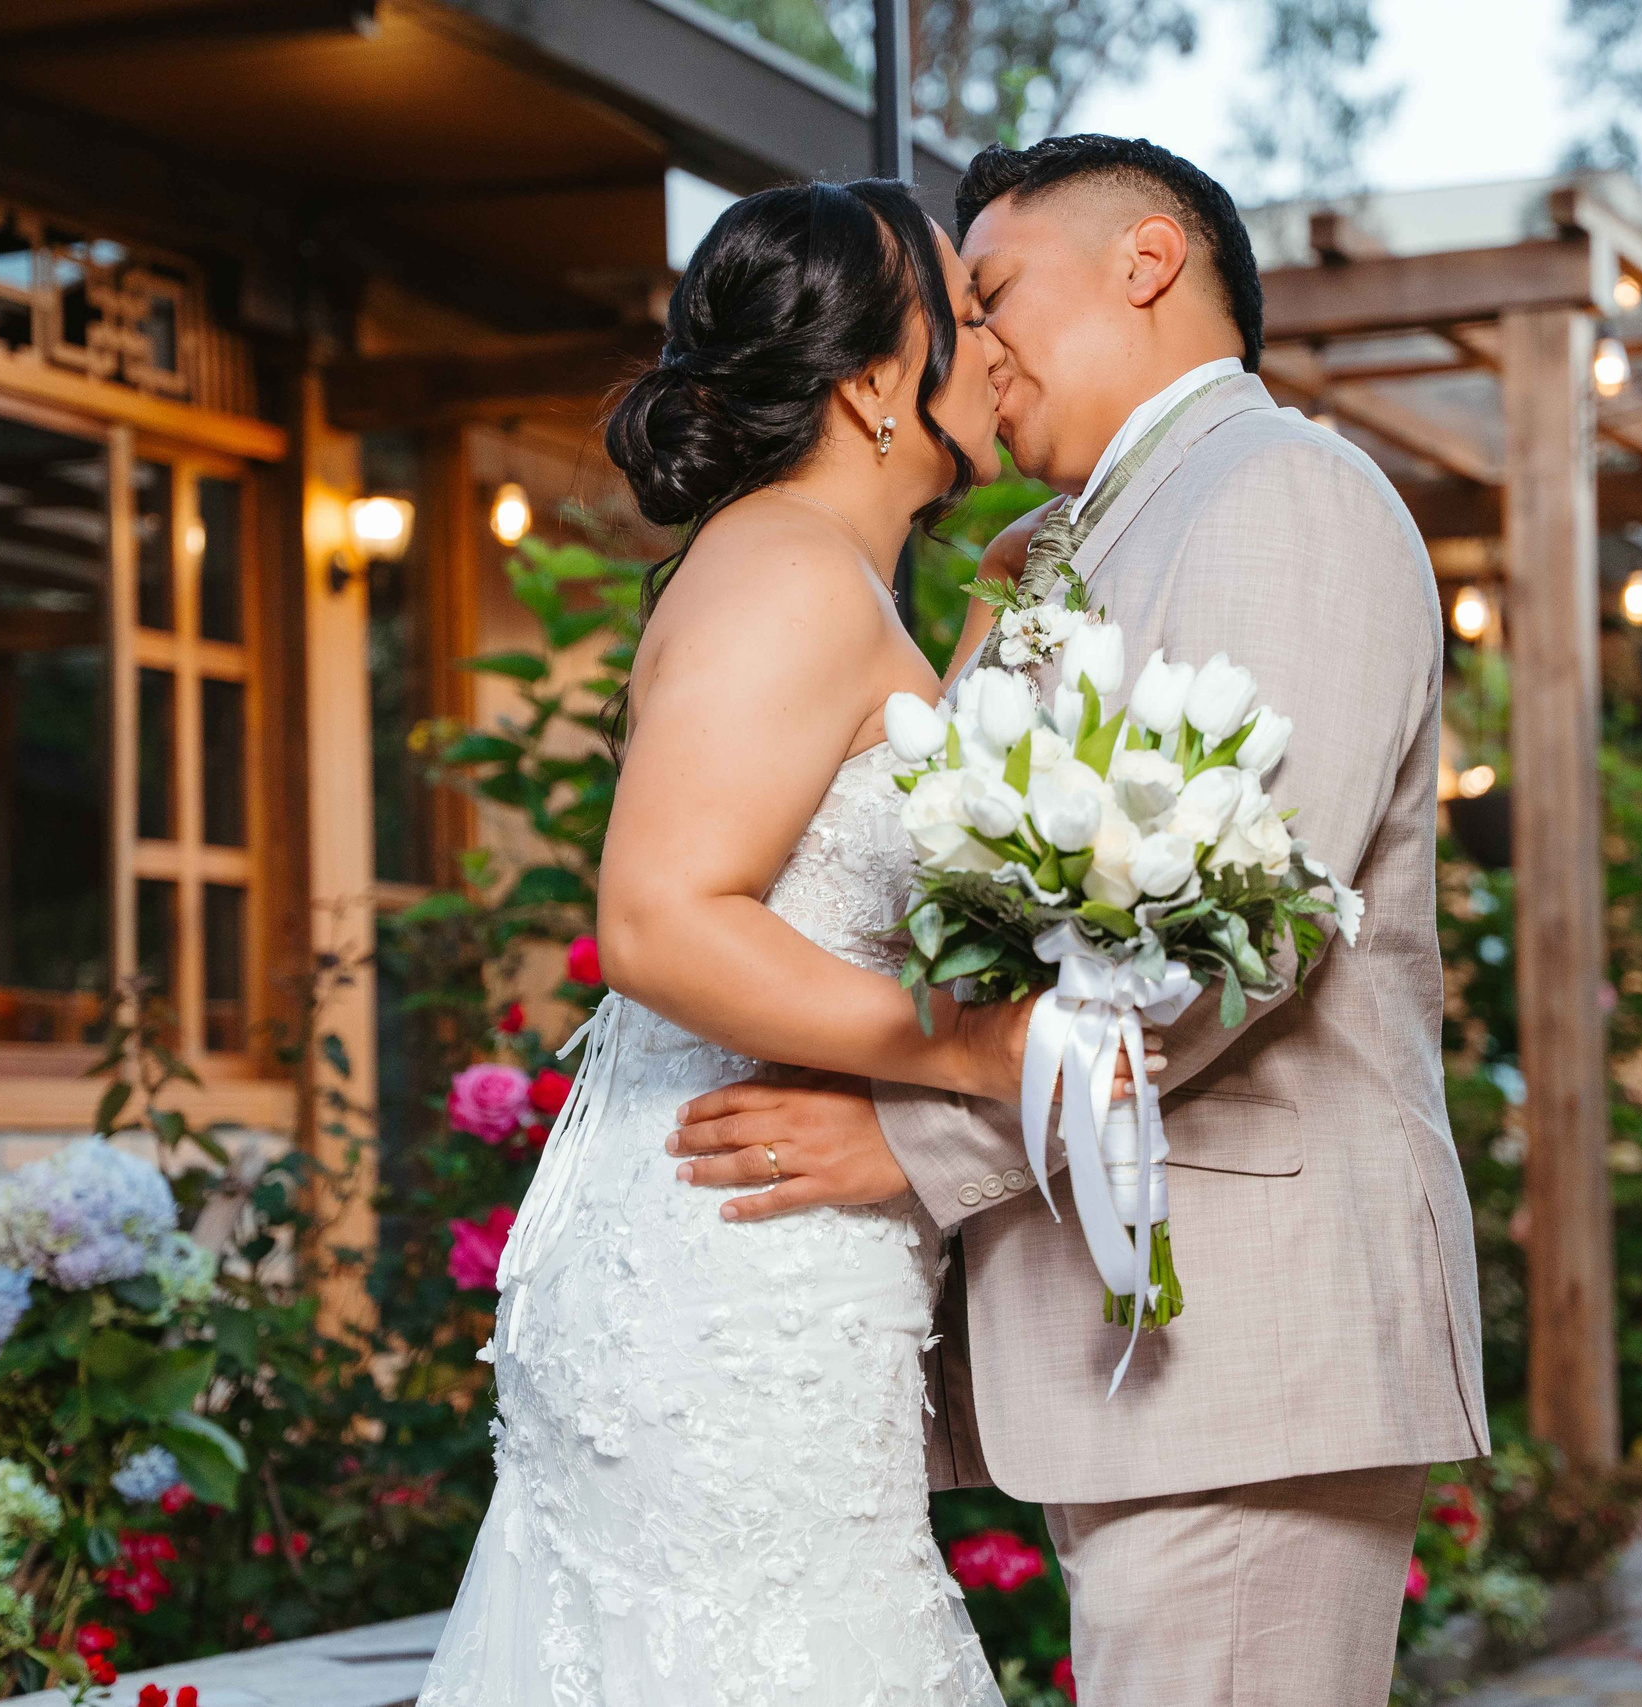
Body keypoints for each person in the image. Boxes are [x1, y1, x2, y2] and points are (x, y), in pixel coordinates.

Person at [670, 135, 1488, 1706]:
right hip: (1133, 1341)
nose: (972, 347)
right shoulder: (1057, 552)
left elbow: (1239, 931)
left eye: (990, 292)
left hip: (1252, 1353)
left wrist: (910, 1147)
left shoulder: (1282, 494)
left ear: (1147, 261)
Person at [414, 175, 1022, 1706]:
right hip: (730, 1261)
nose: (999, 340)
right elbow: (659, 918)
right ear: (880, 376)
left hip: (767, 1244)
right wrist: (973, 1054)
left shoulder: (820, 573)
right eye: (967, 313)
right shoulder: (789, 570)